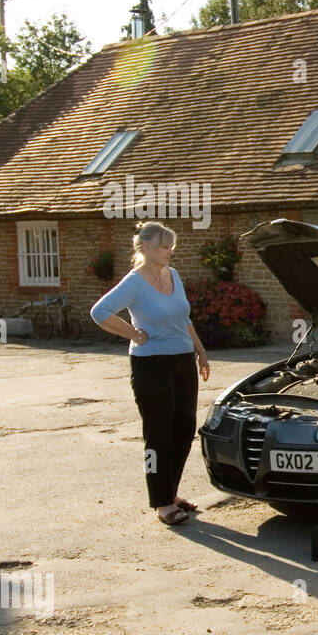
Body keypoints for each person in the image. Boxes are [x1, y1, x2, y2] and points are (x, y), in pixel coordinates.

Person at [91, 221, 210, 526]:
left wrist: (199, 350)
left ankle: (170, 492)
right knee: (157, 434)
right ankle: (161, 502)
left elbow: (183, 317)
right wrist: (133, 333)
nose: (170, 251)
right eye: (163, 246)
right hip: (151, 365)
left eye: (171, 245)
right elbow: (99, 312)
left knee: (184, 428)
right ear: (144, 248)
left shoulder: (174, 275)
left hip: (182, 359)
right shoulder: (134, 282)